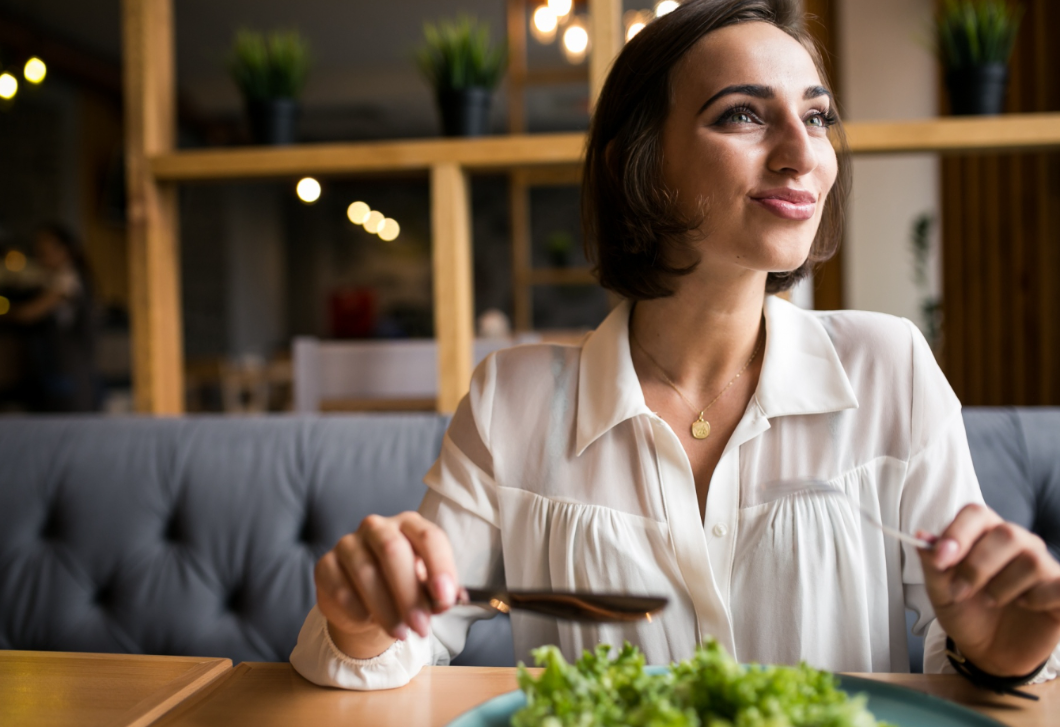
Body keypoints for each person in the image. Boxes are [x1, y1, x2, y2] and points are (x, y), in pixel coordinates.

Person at [290, 0, 1060, 690]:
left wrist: (995, 652)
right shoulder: (511, 402)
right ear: (641, 161)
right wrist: (363, 621)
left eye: (818, 116)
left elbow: (969, 651)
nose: (803, 151)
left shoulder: (889, 368)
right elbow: (403, 648)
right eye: (742, 116)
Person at [10, 224, 99, 412]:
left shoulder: (68, 280)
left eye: (44, 251)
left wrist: (8, 312)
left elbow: (30, 313)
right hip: (58, 368)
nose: (41, 257)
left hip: (71, 370)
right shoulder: (54, 278)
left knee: (70, 420)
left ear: (65, 250)